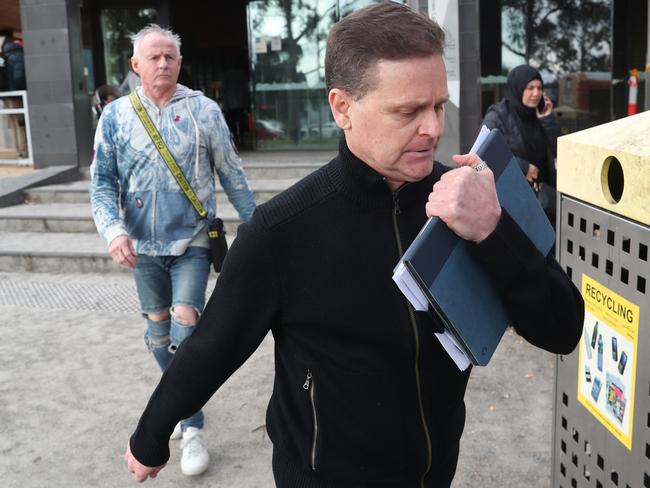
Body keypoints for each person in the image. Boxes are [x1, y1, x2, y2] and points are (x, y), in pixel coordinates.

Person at [125, 5, 583, 487]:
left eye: (438, 106)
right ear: (342, 107)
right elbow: (214, 345)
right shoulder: (283, 230)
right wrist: (150, 434)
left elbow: (563, 328)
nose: (432, 128)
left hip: (435, 471)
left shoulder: (469, 200)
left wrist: (493, 231)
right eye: (408, 111)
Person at [89, 24, 255, 477]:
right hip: (142, 247)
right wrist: (113, 231)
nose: (163, 63)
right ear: (135, 65)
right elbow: (102, 182)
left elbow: (232, 172)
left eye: (171, 57)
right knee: (158, 334)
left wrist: (259, 230)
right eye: (154, 57)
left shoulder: (203, 111)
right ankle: (184, 407)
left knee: (187, 323)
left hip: (193, 240)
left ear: (180, 63)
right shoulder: (117, 116)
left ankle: (192, 425)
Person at [482, 64, 561, 223]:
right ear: (517, 88)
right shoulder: (498, 115)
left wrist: (548, 121)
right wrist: (523, 167)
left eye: (539, 88)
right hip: (511, 198)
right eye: (530, 88)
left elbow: (559, 150)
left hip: (542, 198)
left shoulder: (540, 115)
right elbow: (486, 153)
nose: (536, 93)